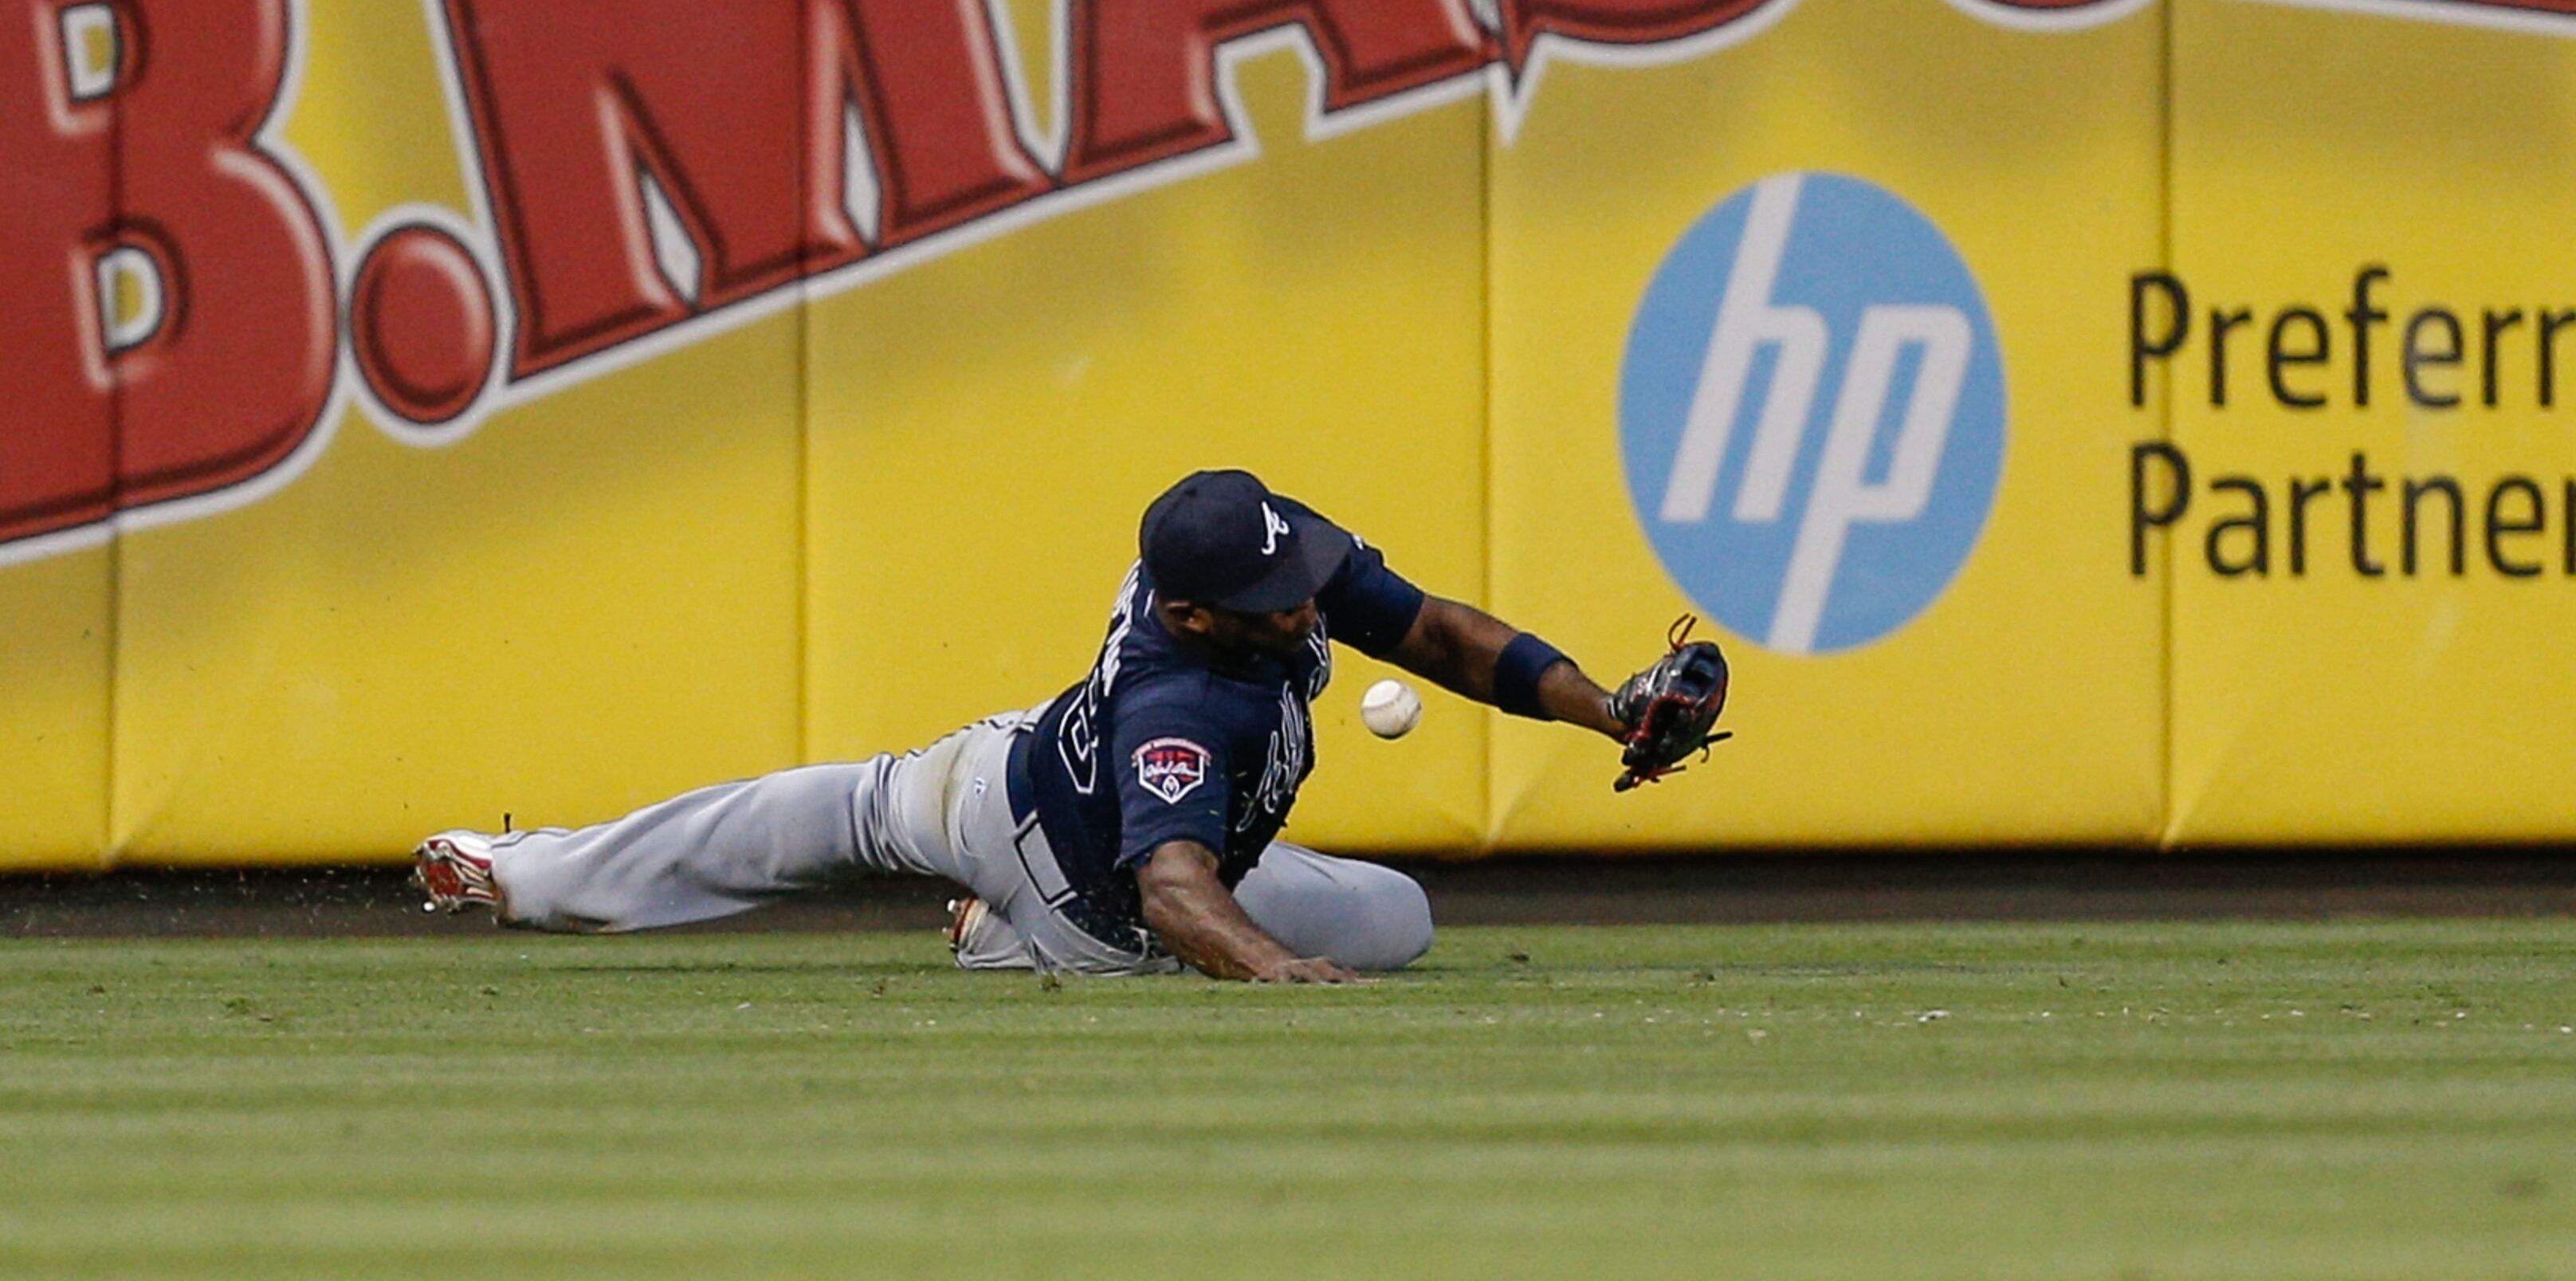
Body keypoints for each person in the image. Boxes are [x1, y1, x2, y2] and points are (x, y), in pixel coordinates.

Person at [413, 467, 1715, 982]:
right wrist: (1271, 973)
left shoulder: (1243, 571)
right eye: (1272, 597)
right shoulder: (1184, 700)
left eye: (1293, 572)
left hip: (1010, 763)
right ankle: (516, 873)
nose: (1302, 602)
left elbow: (1434, 632)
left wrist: (1608, 709)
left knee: (1403, 921)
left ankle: (535, 873)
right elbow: (1175, 886)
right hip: (1102, 901)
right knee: (801, 828)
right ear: (1195, 614)